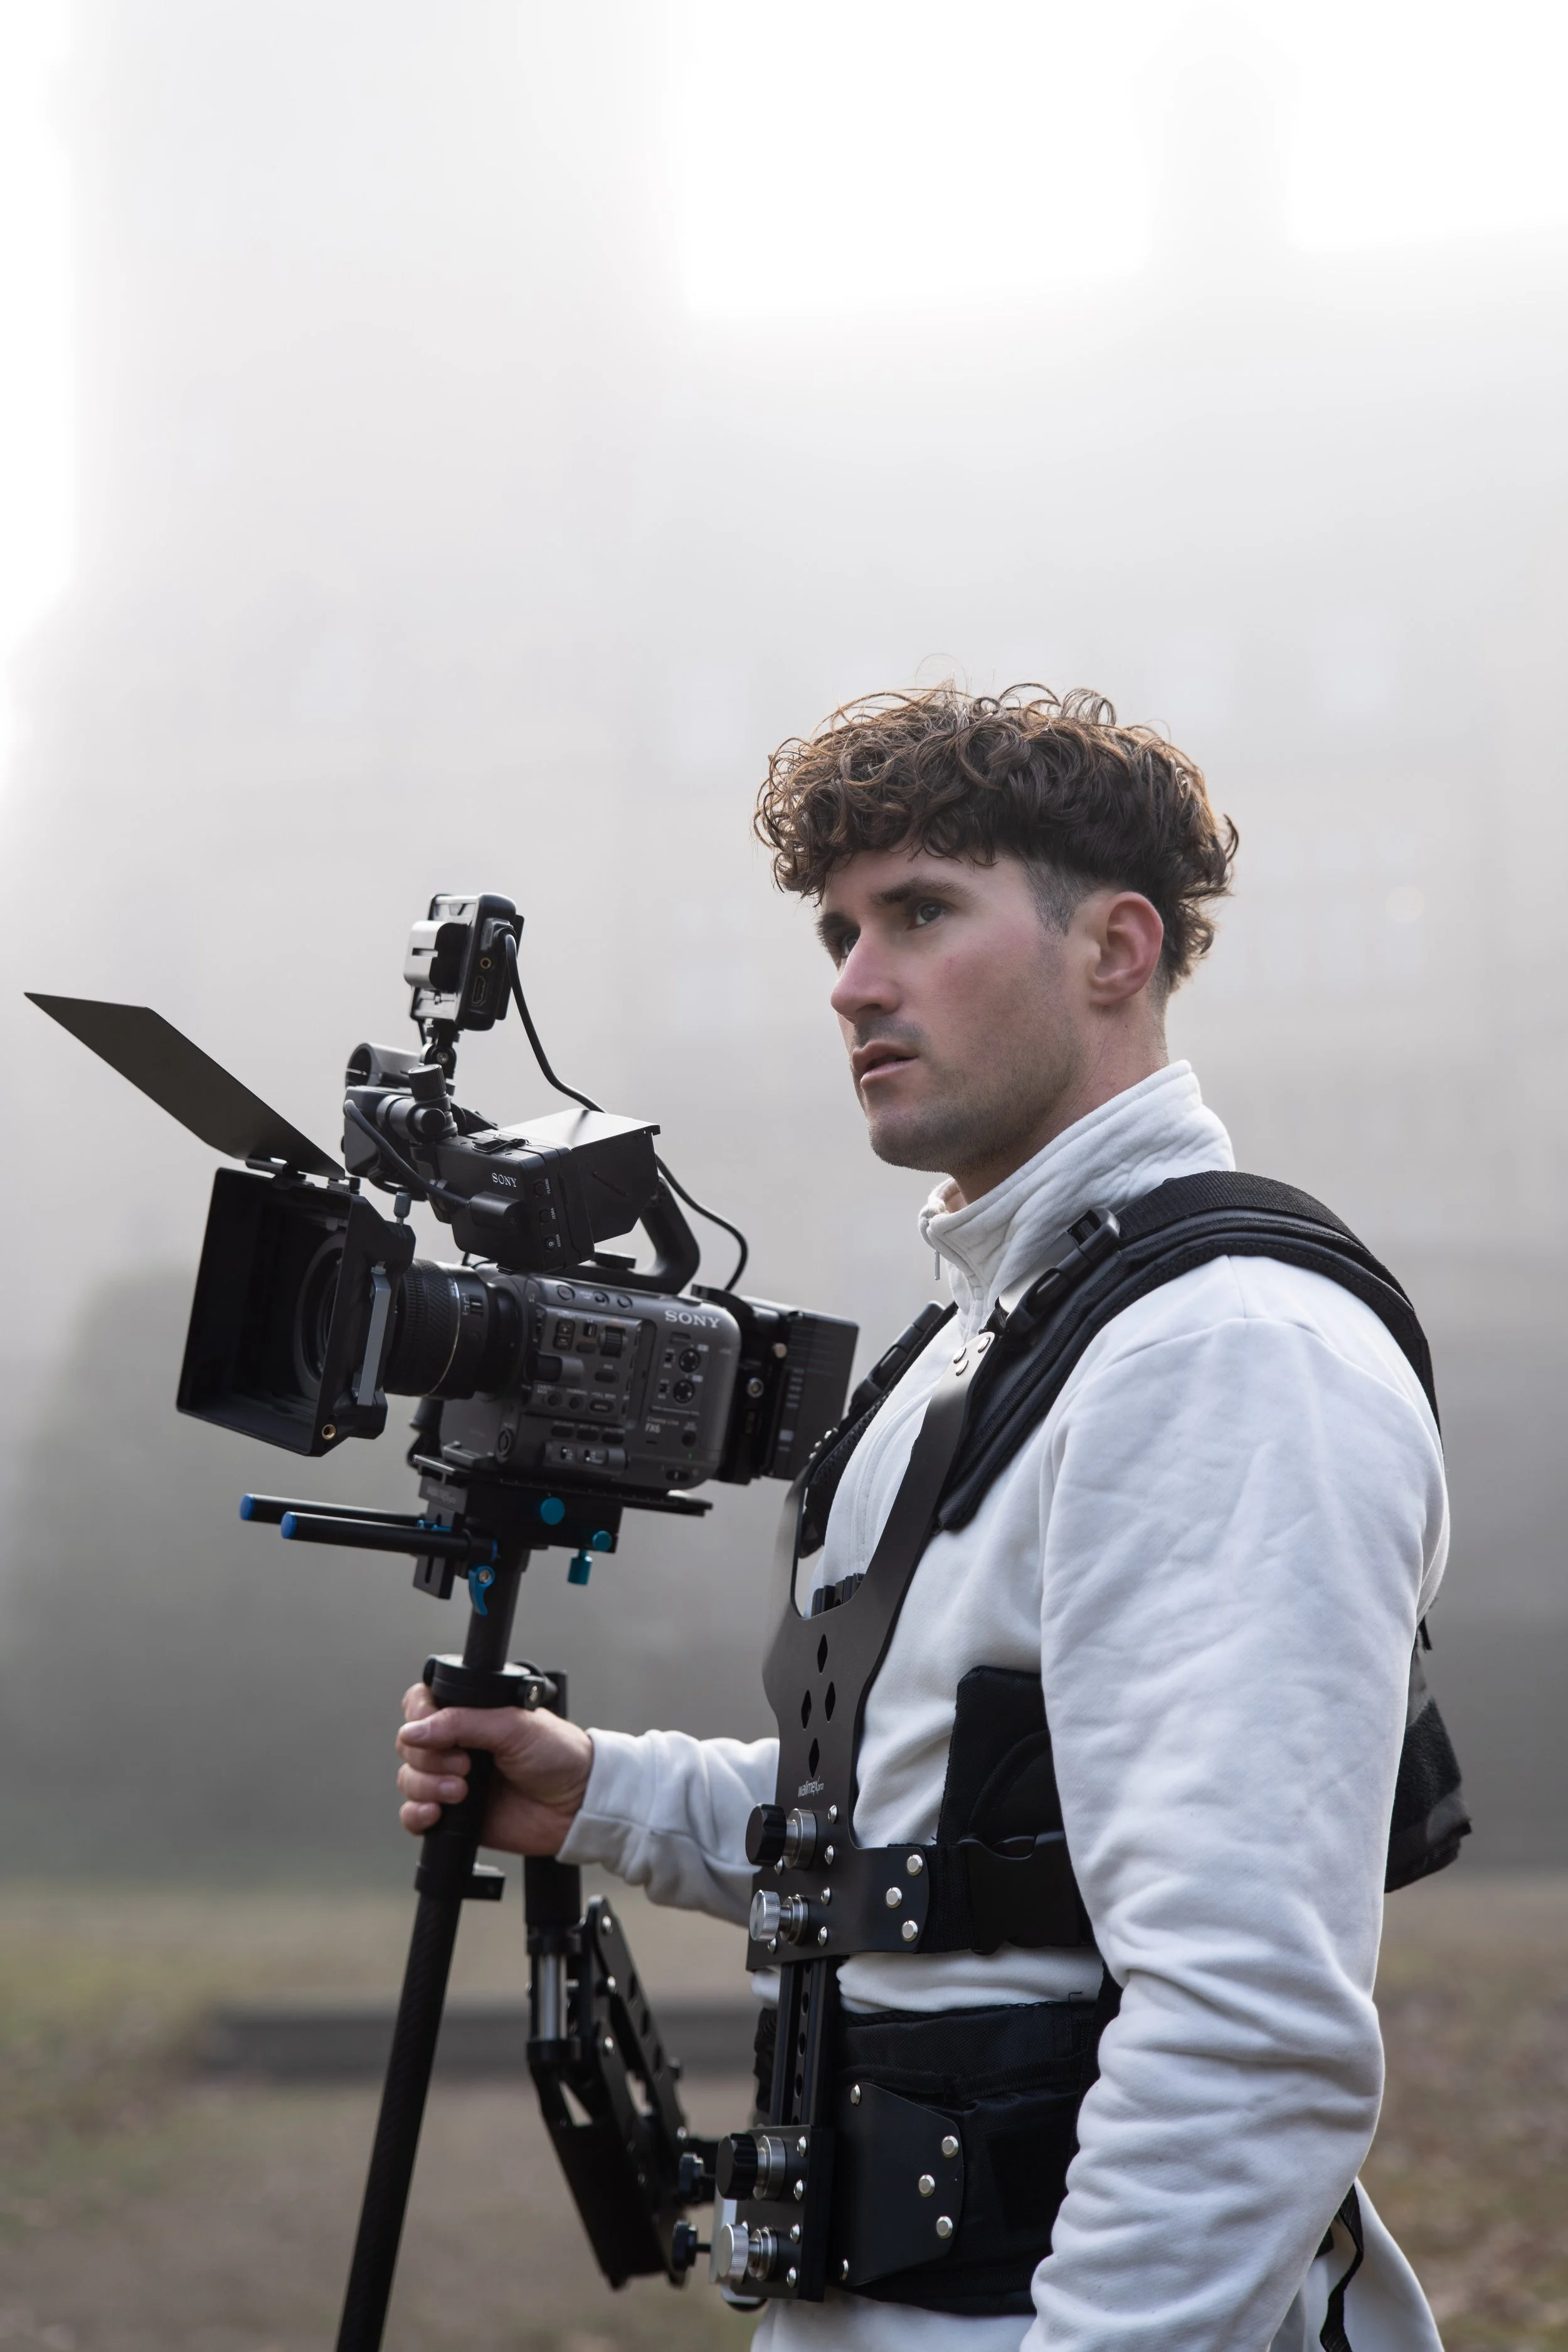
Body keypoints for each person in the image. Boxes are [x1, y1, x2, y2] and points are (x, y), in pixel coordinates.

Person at [395, 687, 1449, 2351]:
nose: (852, 980)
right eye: (836, 927)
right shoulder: (980, 1339)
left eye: (920, 914)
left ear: (1116, 949)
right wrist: (604, 1790)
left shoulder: (1224, 1353)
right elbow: (923, 1845)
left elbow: (1246, 2030)